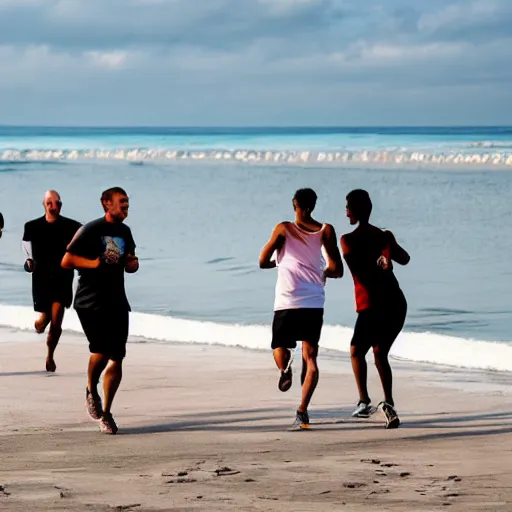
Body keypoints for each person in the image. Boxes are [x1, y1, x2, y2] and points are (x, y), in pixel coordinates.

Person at [259, 188, 343, 429]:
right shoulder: (326, 230)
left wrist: (281, 261)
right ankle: (302, 410)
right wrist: (323, 271)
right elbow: (337, 269)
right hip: (313, 302)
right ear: (313, 206)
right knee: (312, 358)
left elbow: (262, 261)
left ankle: (285, 368)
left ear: (294, 204)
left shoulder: (283, 228)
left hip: (287, 299)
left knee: (278, 346)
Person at [61, 186, 139, 435]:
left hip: (117, 301)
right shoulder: (90, 229)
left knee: (117, 356)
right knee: (102, 351)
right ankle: (90, 388)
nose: (126, 207)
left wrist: (133, 263)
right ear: (106, 203)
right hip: (90, 301)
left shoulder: (125, 232)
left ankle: (106, 413)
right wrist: (93, 263)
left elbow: (131, 263)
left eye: (127, 203)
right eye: (122, 202)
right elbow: (67, 260)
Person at [340, 189, 410, 429]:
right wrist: (387, 251)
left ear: (357, 210)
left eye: (348, 206)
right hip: (396, 303)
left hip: (373, 304)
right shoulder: (384, 236)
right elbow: (405, 258)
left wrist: (386, 255)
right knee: (379, 353)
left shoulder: (347, 240)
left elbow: (358, 270)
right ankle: (388, 403)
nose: (346, 210)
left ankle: (364, 402)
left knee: (356, 351)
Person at [22, 190, 81, 372]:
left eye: (57, 203)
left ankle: (50, 355)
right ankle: (40, 322)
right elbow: (27, 254)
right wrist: (28, 265)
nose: (54, 206)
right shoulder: (31, 227)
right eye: (50, 203)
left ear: (61, 205)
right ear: (44, 205)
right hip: (41, 278)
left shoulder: (73, 226)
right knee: (46, 318)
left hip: (63, 277)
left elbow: (84, 244)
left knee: (56, 321)